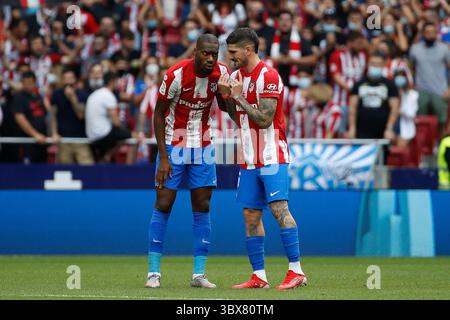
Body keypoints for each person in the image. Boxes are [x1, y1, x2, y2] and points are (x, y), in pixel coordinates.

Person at [219, 28, 307, 290]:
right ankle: (259, 276)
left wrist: (237, 97)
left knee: (279, 209)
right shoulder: (235, 77)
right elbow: (240, 118)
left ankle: (296, 271)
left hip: (272, 154)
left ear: (248, 50)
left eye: (233, 52)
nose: (229, 56)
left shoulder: (268, 76)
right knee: (250, 215)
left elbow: (265, 119)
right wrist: (226, 100)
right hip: (248, 157)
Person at [145, 34, 229, 289]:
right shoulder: (175, 75)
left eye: (214, 54)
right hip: (173, 143)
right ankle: (154, 273)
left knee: (202, 204)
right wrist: (163, 156)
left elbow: (225, 108)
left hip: (202, 145)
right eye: (206, 53)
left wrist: (227, 93)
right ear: (195, 52)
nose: (210, 59)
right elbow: (158, 115)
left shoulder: (220, 73)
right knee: (164, 202)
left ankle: (199, 275)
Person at [347, 52, 400, 142]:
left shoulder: (390, 85)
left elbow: (394, 108)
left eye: (378, 64)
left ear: (383, 65)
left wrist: (389, 128)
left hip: (382, 130)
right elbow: (352, 107)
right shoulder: (359, 84)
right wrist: (352, 128)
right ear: (368, 64)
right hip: (362, 129)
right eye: (372, 63)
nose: (375, 66)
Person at [410, 22, 450, 136]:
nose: (430, 35)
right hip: (421, 90)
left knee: (441, 121)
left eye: (433, 32)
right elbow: (410, 68)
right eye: (427, 32)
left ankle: (440, 146)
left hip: (440, 90)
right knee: (420, 121)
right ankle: (423, 148)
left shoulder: (444, 49)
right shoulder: (415, 49)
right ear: (423, 33)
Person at [85, 71, 131, 163]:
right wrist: (127, 132)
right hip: (102, 134)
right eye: (116, 82)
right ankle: (110, 157)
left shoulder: (94, 94)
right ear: (111, 82)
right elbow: (116, 123)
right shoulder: (109, 96)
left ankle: (105, 156)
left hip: (90, 135)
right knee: (131, 137)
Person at [50, 68, 94, 165]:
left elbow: (81, 115)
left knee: (88, 167)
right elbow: (53, 115)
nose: (68, 81)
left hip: (81, 139)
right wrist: (54, 133)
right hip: (63, 140)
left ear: (75, 80)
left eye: (71, 78)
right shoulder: (56, 94)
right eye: (66, 78)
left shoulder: (83, 95)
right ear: (62, 80)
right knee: (64, 170)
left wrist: (73, 98)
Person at [12, 71, 53, 163]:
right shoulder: (19, 97)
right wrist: (35, 134)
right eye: (24, 83)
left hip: (42, 142)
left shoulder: (39, 96)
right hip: (27, 142)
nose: (27, 86)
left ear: (34, 83)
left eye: (29, 83)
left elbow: (49, 115)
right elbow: (20, 118)